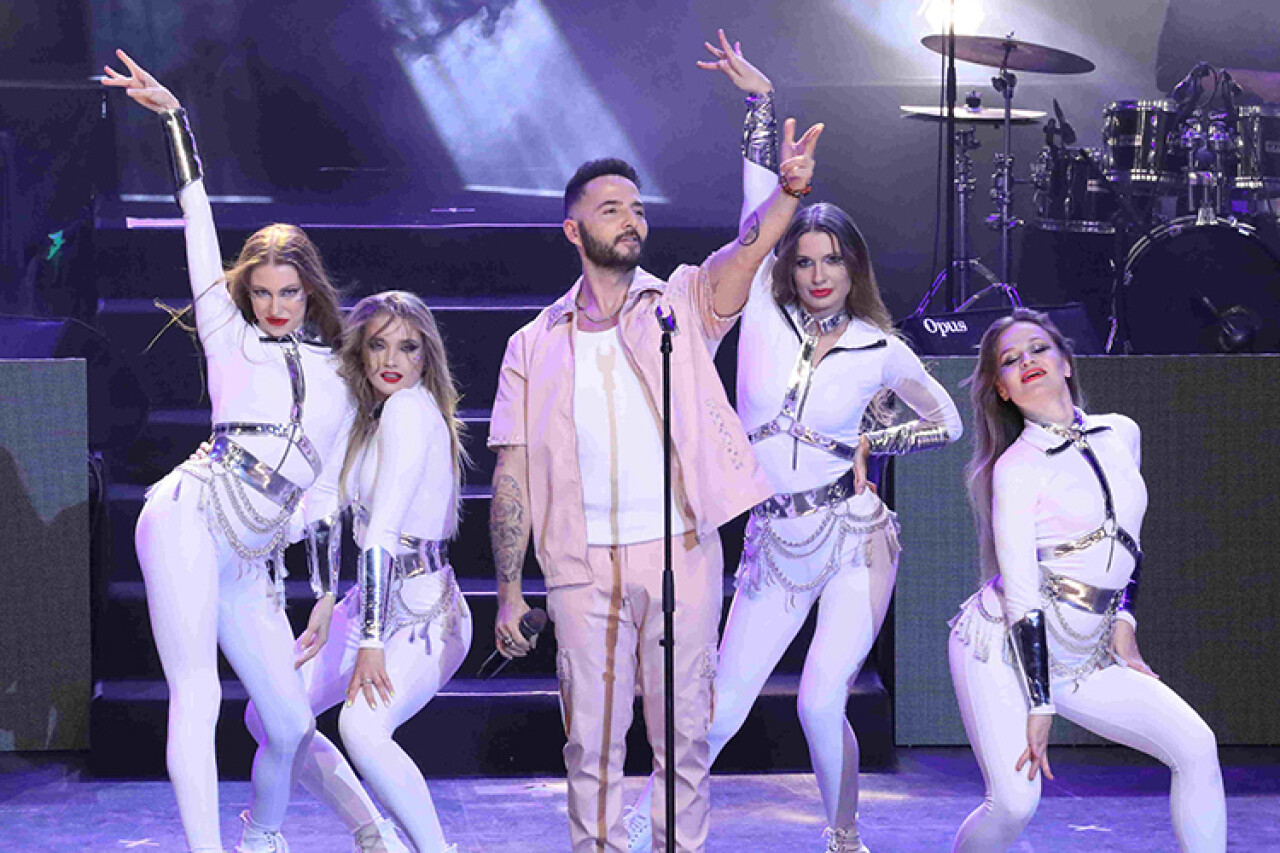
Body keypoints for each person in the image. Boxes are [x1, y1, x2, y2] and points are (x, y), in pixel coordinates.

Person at [626, 33, 963, 853]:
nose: (817, 273)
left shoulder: (880, 347)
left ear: (852, 268)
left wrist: (876, 439)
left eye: (832, 261)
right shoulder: (762, 314)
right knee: (722, 707)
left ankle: (844, 834)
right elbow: (756, 218)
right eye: (805, 260)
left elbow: (949, 420)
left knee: (819, 701)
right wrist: (759, 104)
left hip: (854, 538)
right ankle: (640, 829)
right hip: (774, 543)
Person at [485, 39, 825, 851]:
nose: (632, 219)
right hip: (579, 565)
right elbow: (513, 472)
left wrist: (785, 186)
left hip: (679, 553)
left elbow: (748, 250)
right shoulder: (533, 343)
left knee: (684, 740)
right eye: (612, 209)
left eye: (637, 208)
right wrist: (508, 589)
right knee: (589, 745)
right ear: (573, 229)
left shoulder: (679, 304)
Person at [105, 51, 354, 853]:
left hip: (255, 555)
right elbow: (197, 221)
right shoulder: (227, 334)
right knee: (198, 692)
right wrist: (177, 122)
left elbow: (328, 495)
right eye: (263, 292)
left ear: (310, 291)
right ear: (246, 291)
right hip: (190, 514)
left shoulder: (340, 373)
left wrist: (325, 592)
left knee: (290, 721)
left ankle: (261, 833)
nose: (276, 305)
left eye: (290, 292)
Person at [947, 308, 1226, 851]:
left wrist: (1125, 620)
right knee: (1014, 804)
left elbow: (1130, 541)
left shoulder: (1122, 432)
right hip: (1002, 648)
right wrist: (1040, 704)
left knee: (1196, 745)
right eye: (1010, 360)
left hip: (1085, 652)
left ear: (1066, 363)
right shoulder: (1016, 468)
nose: (1027, 361)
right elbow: (1021, 590)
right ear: (1002, 389)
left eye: (1038, 349)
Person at [246, 291, 471, 853]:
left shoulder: (410, 411)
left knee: (362, 729)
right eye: (378, 345)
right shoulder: (363, 416)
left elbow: (383, 535)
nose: (392, 360)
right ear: (360, 352)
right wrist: (325, 598)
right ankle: (375, 836)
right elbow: (322, 506)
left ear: (426, 356)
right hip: (370, 601)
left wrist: (369, 642)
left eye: (408, 347)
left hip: (425, 613)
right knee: (269, 714)